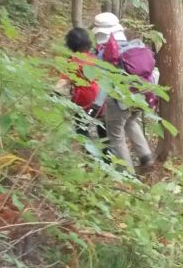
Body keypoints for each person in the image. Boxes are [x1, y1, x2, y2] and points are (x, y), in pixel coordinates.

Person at [91, 12, 155, 174]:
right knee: (130, 122)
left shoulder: (106, 54)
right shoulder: (136, 46)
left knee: (115, 136)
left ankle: (127, 175)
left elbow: (105, 84)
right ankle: (146, 157)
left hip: (119, 101)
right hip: (141, 97)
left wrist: (95, 106)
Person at [61, 27, 108, 151]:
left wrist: (51, 93)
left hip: (86, 105)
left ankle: (91, 157)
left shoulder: (73, 61)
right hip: (102, 102)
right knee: (103, 130)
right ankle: (108, 158)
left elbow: (63, 81)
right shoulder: (96, 58)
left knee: (82, 128)